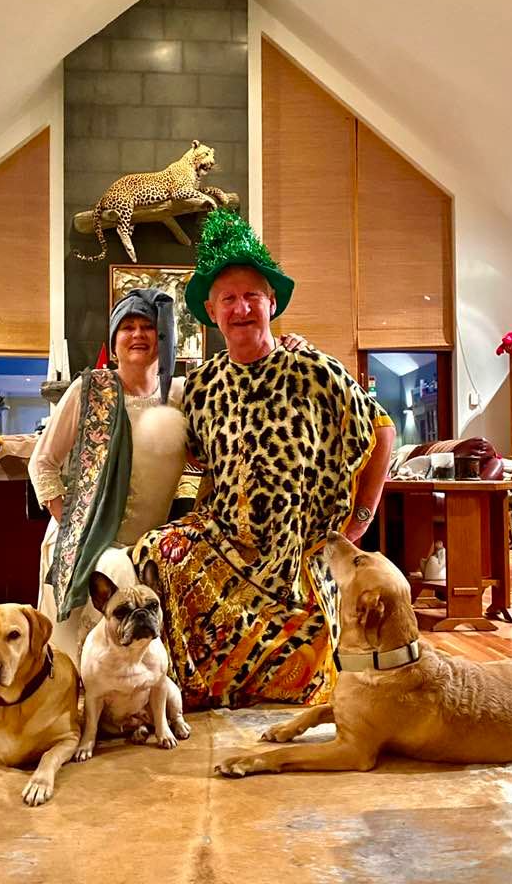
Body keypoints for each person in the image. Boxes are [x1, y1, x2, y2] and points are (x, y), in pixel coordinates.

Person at [134, 209, 396, 710]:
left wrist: (362, 516)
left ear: (271, 303)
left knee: (310, 669)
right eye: (228, 299)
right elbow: (194, 459)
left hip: (298, 552)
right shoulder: (203, 384)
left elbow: (381, 430)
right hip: (227, 541)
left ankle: (247, 684)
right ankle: (184, 686)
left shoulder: (315, 369)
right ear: (211, 311)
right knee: (153, 552)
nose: (241, 309)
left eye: (252, 296)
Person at [29, 285, 309, 663]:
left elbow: (245, 388)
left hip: (154, 552)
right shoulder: (89, 390)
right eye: (127, 327)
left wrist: (286, 352)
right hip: (86, 546)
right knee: (71, 663)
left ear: (165, 339)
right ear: (114, 341)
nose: (138, 334)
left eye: (148, 326)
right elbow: (42, 463)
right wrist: (73, 526)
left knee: (142, 660)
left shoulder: (185, 393)